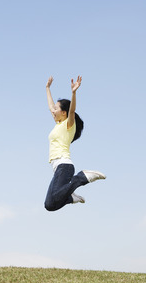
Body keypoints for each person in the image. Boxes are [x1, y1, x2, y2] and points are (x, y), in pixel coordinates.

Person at [44, 75, 106, 212]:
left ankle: (82, 177)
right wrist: (47, 88)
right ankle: (71, 197)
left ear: (64, 112)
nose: (53, 110)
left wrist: (73, 92)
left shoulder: (68, 124)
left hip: (64, 165)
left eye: (56, 109)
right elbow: (50, 106)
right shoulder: (58, 124)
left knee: (52, 200)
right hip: (57, 168)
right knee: (49, 205)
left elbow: (72, 110)